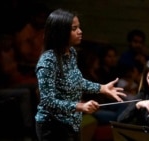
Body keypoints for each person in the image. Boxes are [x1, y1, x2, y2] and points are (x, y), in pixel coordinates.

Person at [35, 8, 126, 141]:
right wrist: (80, 106)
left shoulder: (71, 52)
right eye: (74, 28)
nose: (80, 31)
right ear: (60, 32)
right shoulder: (48, 61)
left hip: (72, 123)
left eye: (79, 27)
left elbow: (77, 81)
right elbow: (47, 101)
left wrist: (102, 88)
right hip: (52, 126)